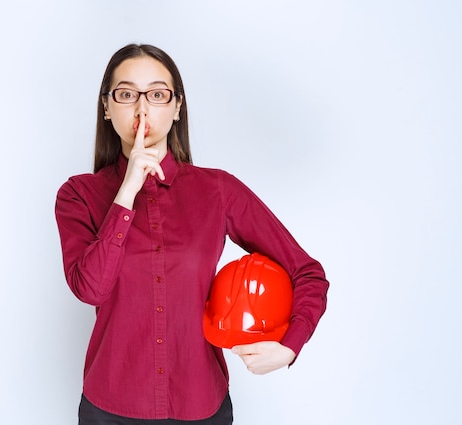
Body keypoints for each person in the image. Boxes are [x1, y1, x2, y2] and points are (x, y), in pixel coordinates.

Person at [55, 43, 329, 425]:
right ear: (106, 107)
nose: (142, 108)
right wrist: (128, 191)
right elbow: (91, 290)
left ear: (177, 106)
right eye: (126, 94)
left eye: (157, 94)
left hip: (201, 406)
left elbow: (307, 272)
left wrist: (290, 346)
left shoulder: (218, 191)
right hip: (111, 407)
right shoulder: (77, 195)